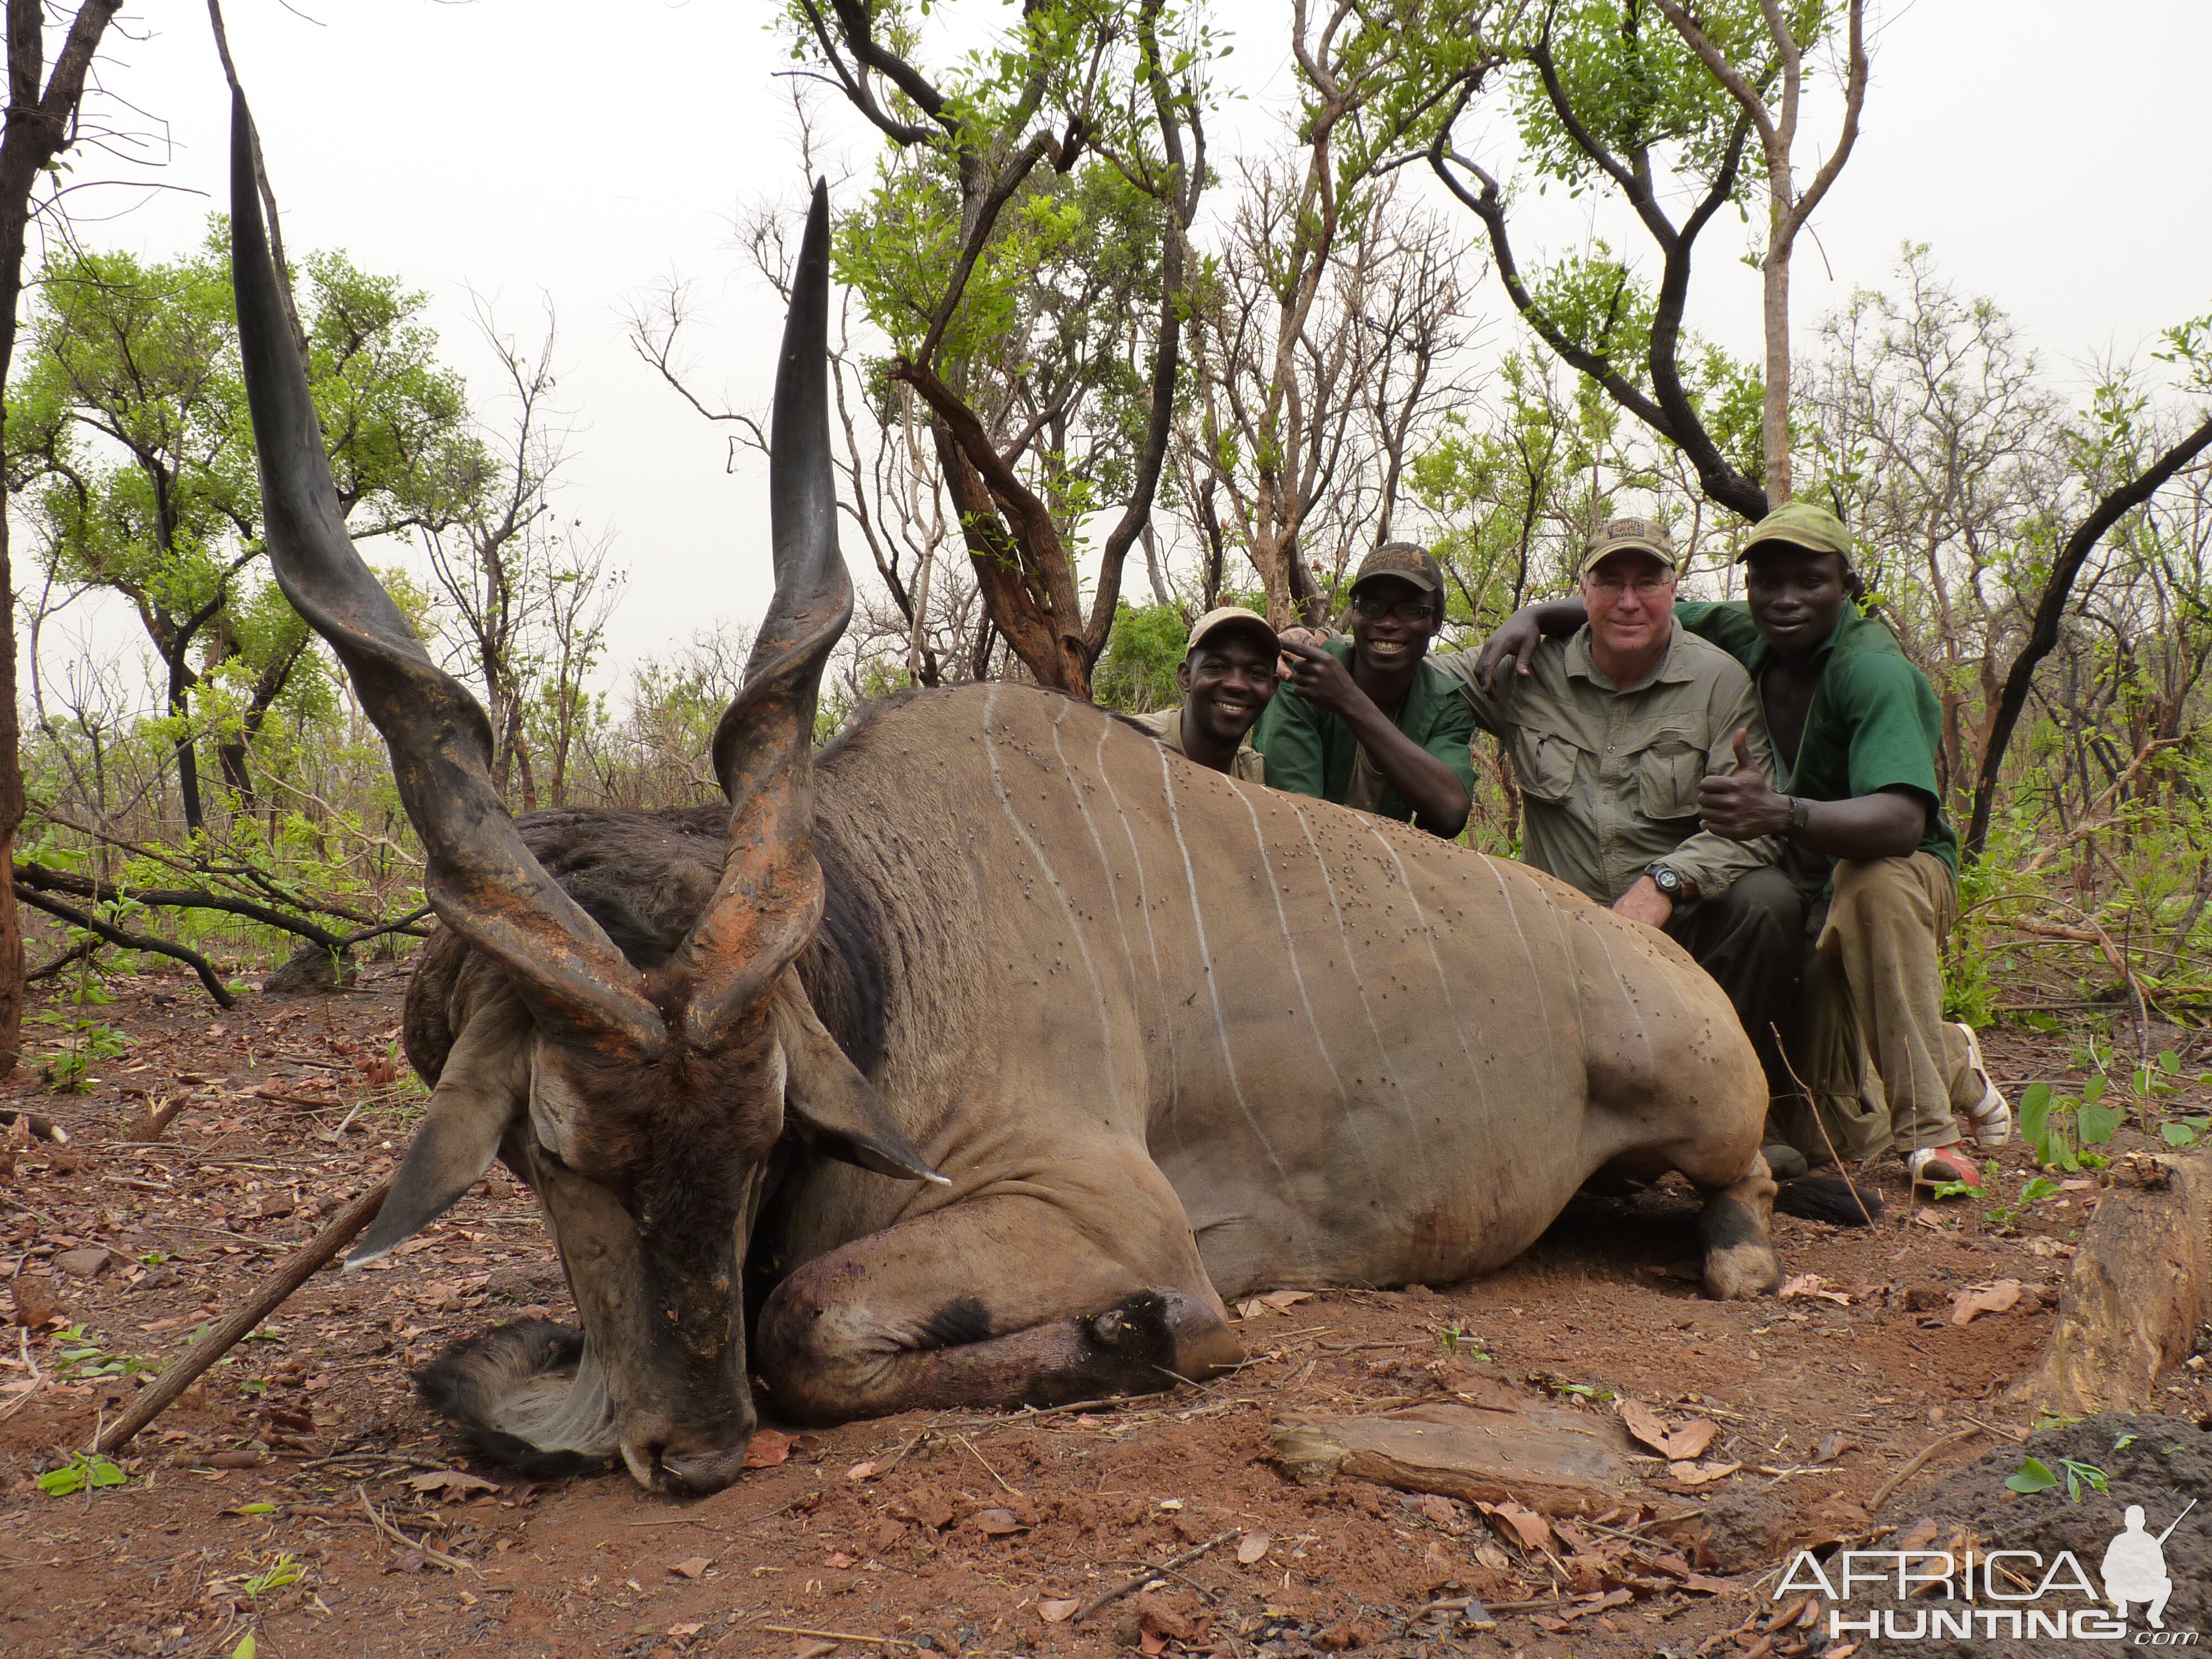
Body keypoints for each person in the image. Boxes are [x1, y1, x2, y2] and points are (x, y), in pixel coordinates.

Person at [1477, 501, 2010, 1192]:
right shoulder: (1747, 628)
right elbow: (1629, 609)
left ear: (1846, 583)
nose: (1785, 600)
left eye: (1808, 582)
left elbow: (1901, 823)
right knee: (1826, 1135)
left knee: (1867, 888)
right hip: (1801, 871)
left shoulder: (1871, 670)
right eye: (1766, 582)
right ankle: (1944, 1052)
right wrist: (1535, 618)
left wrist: (1778, 813)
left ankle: (1930, 1140)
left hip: (1886, 867)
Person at [1432, 517, 1803, 1104]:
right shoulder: (1525, 666)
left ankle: (1737, 1106)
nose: (1628, 602)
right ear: (1582, 594)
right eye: (1610, 584)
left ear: (1672, 588)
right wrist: (1304, 652)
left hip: (1676, 932)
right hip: (1556, 935)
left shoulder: (1718, 681)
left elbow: (1750, 831)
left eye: (1646, 583)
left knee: (1768, 902)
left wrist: (1664, 884)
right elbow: (1413, 677)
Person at [1254, 542, 1474, 838]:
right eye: (1371, 607)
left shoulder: (1445, 705)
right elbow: (1296, 815)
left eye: (1410, 610)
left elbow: (1450, 812)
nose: (1386, 622)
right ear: (1355, 616)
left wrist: (1350, 702)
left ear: (1435, 623)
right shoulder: (1304, 676)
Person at [1124, 606, 1278, 782]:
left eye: (1256, 673)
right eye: (1217, 667)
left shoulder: (1257, 773)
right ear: (1186, 677)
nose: (1237, 685)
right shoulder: (1131, 742)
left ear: (1273, 688)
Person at [2101, 1505, 2175, 1629]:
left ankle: (2153, 1615)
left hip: (2142, 1588)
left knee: (2166, 1583)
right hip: (2123, 1588)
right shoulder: (2120, 1541)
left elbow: (2161, 1570)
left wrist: (2146, 1571)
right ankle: (2122, 1606)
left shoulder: (2150, 1542)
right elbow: (2107, 1568)